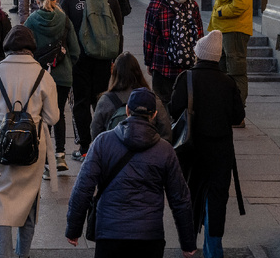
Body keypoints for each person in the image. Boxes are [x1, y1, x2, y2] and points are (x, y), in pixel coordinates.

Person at [64, 89, 198, 258]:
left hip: (110, 233)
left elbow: (83, 188)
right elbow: (180, 198)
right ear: (154, 114)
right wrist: (187, 242)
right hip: (149, 236)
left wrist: (73, 229)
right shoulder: (165, 150)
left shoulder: (102, 142)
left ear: (127, 110)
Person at [0, 26, 60, 258]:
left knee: (0, 205)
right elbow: (53, 117)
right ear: (31, 49)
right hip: (32, 149)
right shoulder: (43, 76)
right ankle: (22, 254)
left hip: (0, 147)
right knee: (29, 203)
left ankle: (2, 255)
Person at [169, 31, 245, 258]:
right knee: (216, 201)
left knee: (190, 197)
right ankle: (214, 251)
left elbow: (174, 109)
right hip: (220, 153)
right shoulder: (228, 82)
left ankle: (189, 247)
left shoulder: (187, 78)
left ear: (199, 55)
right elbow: (237, 116)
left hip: (192, 151)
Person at [60, 0, 124, 160]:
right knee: (102, 101)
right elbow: (119, 31)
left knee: (80, 102)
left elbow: (63, 30)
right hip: (105, 58)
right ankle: (103, 144)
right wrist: (116, 58)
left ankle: (85, 147)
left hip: (79, 59)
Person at [25, 0, 80, 174]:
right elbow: (75, 50)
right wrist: (66, 66)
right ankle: (60, 156)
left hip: (40, 75)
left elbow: (26, 48)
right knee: (59, 114)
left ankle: (46, 163)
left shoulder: (31, 21)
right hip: (63, 76)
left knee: (41, 116)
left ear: (37, 1)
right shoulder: (64, 20)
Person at [143, 0, 204, 104]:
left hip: (161, 63)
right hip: (187, 65)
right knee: (184, 103)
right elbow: (199, 34)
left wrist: (148, 60)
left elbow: (149, 35)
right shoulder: (192, 3)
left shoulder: (157, 2)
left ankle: (166, 125)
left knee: (162, 103)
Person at [90, 52, 173, 148]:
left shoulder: (105, 101)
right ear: (138, 72)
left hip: (115, 156)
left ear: (114, 73)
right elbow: (166, 131)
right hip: (148, 155)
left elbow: (96, 132)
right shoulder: (151, 99)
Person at [211, 0, 254, 115]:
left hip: (235, 30)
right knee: (224, 72)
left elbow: (240, 4)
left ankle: (237, 114)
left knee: (236, 72)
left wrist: (220, 11)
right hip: (225, 29)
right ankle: (226, 109)